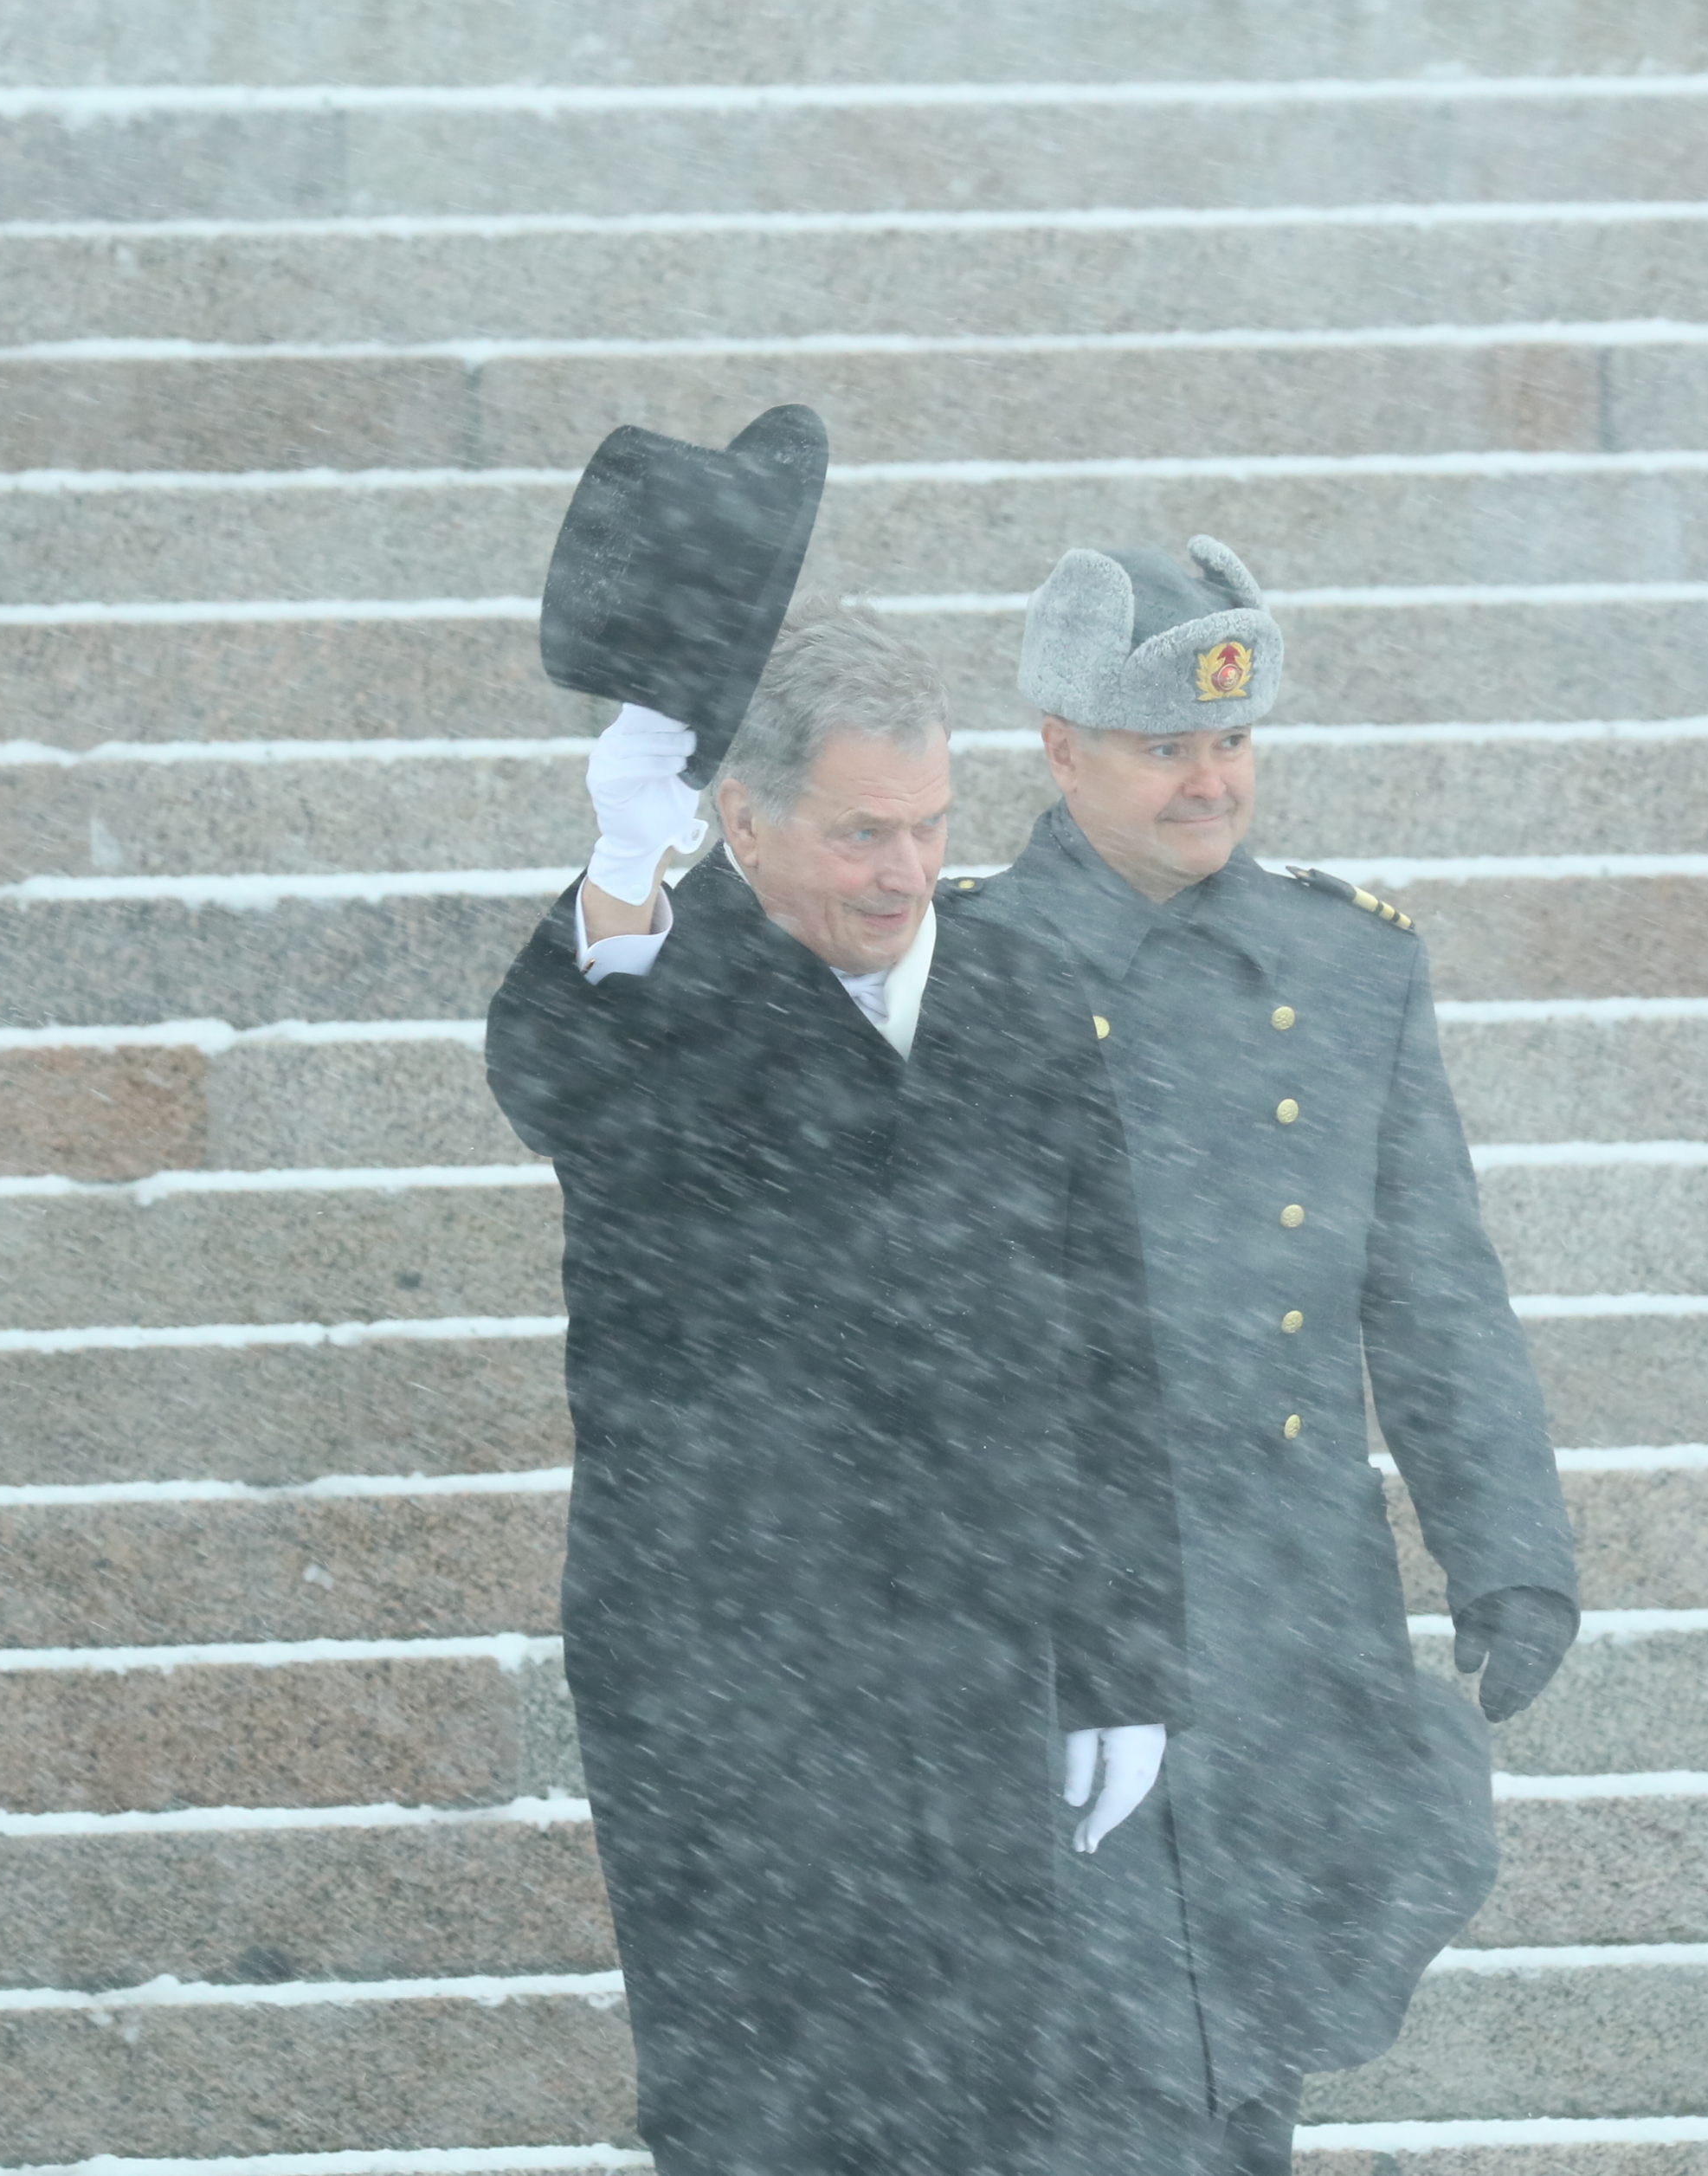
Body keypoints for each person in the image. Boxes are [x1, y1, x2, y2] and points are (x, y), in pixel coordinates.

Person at [486, 608, 1190, 2175]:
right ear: (743, 820)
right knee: (759, 2100)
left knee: (990, 2092)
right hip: (722, 1658)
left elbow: (1109, 1351)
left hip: (976, 1650)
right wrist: (621, 867)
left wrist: (1125, 1661)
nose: (906, 870)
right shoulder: (658, 990)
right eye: (863, 831)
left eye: (930, 825)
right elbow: (549, 1076)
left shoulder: (1023, 998)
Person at [958, 536, 1582, 2176]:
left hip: (1299, 1598)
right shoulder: (961, 968)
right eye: (1165, 745)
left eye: (1230, 741)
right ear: (1061, 748)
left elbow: (1432, 1279)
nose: (1210, 781)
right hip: (1064, 1594)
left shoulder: (1348, 962)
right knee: (1101, 2044)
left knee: (1255, 2029)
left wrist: (1509, 1549)